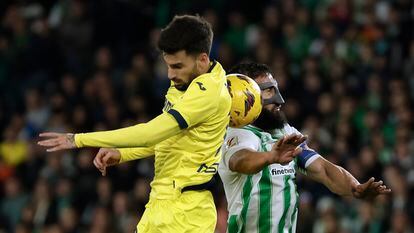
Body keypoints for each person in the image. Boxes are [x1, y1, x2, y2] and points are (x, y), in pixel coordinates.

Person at [38, 15, 232, 233]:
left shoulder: (209, 94)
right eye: (167, 65)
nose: (170, 74)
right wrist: (123, 154)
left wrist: (78, 139)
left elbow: (150, 133)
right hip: (162, 203)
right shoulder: (186, 80)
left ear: (203, 60)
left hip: (187, 213)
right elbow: (165, 138)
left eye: (177, 66)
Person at [218, 62, 392, 233]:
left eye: (276, 89)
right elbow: (239, 160)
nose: (280, 100)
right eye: (269, 90)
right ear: (246, 95)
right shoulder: (236, 133)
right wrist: (270, 157)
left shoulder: (284, 131)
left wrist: (354, 187)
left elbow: (322, 169)